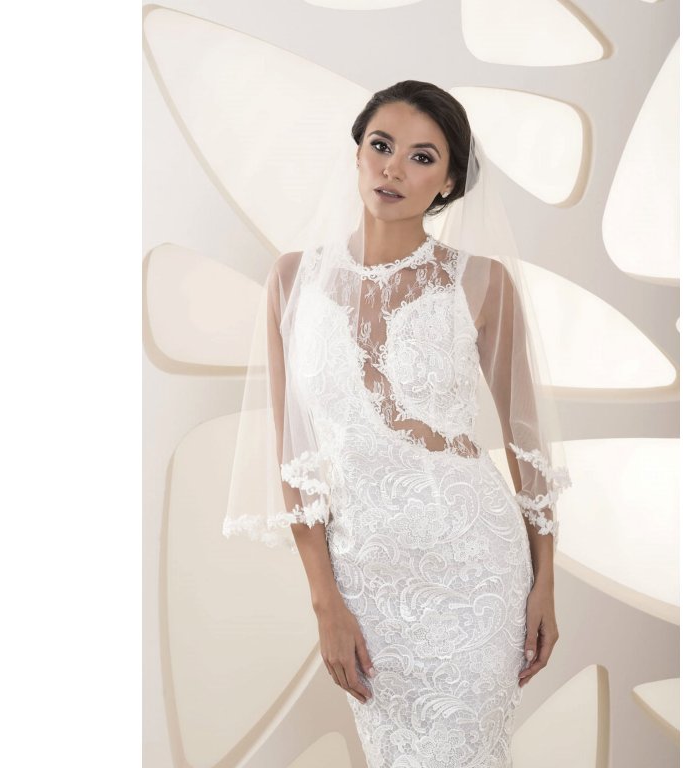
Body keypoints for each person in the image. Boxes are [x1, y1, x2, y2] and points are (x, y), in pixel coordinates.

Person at [223, 80, 572, 767]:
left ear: (449, 182)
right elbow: (294, 456)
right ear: (357, 154)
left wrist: (545, 584)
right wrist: (325, 602)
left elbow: (526, 445)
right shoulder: (292, 280)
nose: (393, 169)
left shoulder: (481, 282)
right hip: (365, 575)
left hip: (477, 569)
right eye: (381, 146)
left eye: (422, 157)